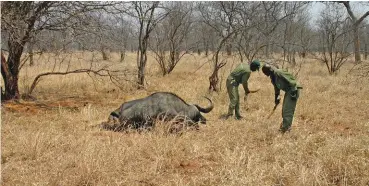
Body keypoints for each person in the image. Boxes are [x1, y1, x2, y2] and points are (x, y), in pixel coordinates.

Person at [261, 64, 302, 133]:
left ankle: (286, 129)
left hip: (293, 90)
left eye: (266, 72)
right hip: (288, 91)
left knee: (287, 110)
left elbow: (292, 80)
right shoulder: (273, 77)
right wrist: (276, 98)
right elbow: (276, 89)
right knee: (284, 110)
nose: (266, 74)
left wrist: (293, 92)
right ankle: (285, 126)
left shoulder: (279, 72)